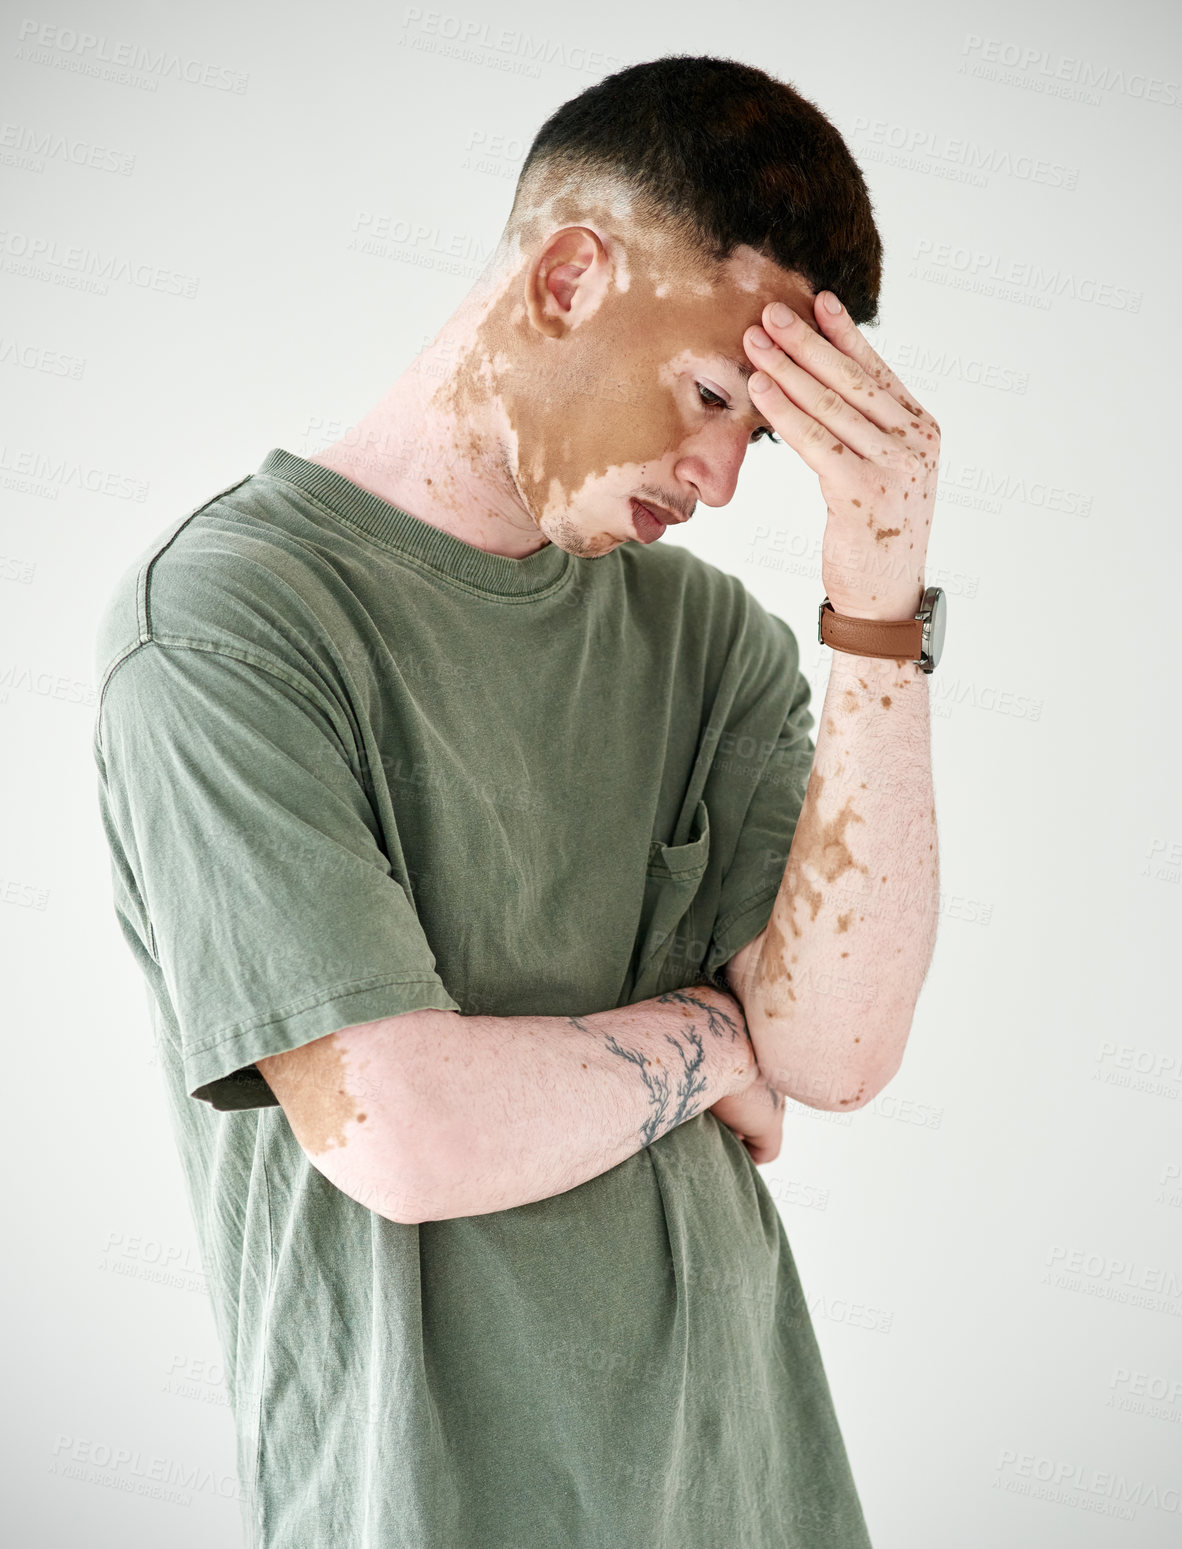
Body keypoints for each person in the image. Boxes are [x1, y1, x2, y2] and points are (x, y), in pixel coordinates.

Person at [91, 53, 939, 1549]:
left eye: (765, 439)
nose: (726, 481)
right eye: (712, 398)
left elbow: (840, 1050)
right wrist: (706, 1030)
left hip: (757, 1490)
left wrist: (874, 602)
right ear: (566, 277)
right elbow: (404, 1136)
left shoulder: (710, 645)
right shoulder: (229, 625)